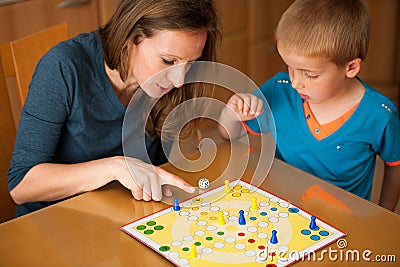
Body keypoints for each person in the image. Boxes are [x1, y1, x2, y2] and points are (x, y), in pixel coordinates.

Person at [7, 0, 222, 216]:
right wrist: (115, 167)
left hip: (120, 214)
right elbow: (21, 186)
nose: (179, 81)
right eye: (167, 61)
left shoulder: (165, 84)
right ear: (131, 37)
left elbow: (160, 168)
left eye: (191, 63)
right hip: (53, 221)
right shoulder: (64, 66)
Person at [219, 0, 400, 211]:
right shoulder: (280, 88)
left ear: (350, 67)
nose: (296, 82)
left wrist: (384, 213)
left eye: (310, 74)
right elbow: (226, 134)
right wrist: (231, 115)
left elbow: (395, 164)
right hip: (280, 211)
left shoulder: (379, 114)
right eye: (289, 68)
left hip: (346, 223)